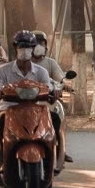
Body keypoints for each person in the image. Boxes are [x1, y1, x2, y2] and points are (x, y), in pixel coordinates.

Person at [0, 31, 59, 166]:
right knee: (0, 123)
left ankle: (55, 151)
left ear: (33, 49)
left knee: (54, 118)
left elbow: (49, 87)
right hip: (9, 109)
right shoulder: (3, 70)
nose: (25, 50)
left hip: (36, 111)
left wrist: (54, 93)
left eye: (28, 47)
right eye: (22, 46)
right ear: (15, 47)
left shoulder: (41, 72)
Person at [31, 31, 73, 163]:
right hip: (25, 101)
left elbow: (60, 78)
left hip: (47, 100)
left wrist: (64, 85)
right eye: (35, 43)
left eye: (41, 43)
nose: (38, 46)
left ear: (45, 45)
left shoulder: (50, 63)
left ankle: (60, 148)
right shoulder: (22, 63)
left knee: (59, 114)